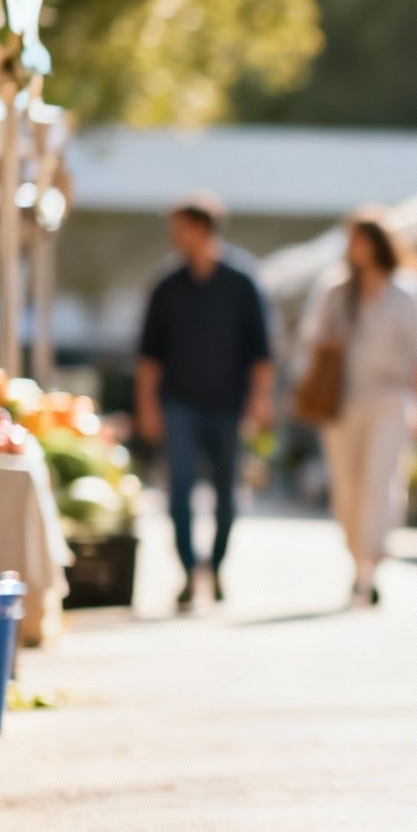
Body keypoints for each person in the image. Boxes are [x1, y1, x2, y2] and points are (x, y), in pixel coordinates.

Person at [136, 194, 274, 610]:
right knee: (178, 491)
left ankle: (214, 567)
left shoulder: (242, 282)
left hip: (228, 405)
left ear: (201, 228)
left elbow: (261, 352)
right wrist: (147, 407)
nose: (173, 235)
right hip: (179, 404)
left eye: (179, 226)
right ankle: (186, 571)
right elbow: (148, 356)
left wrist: (260, 402)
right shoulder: (167, 285)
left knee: (226, 493)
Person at [300, 215, 417, 607]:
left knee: (381, 482)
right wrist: (332, 342)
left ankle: (369, 568)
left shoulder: (407, 291)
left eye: (360, 239)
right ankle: (356, 558)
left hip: (392, 400)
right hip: (343, 401)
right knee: (347, 487)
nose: (354, 247)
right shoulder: (335, 289)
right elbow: (312, 340)